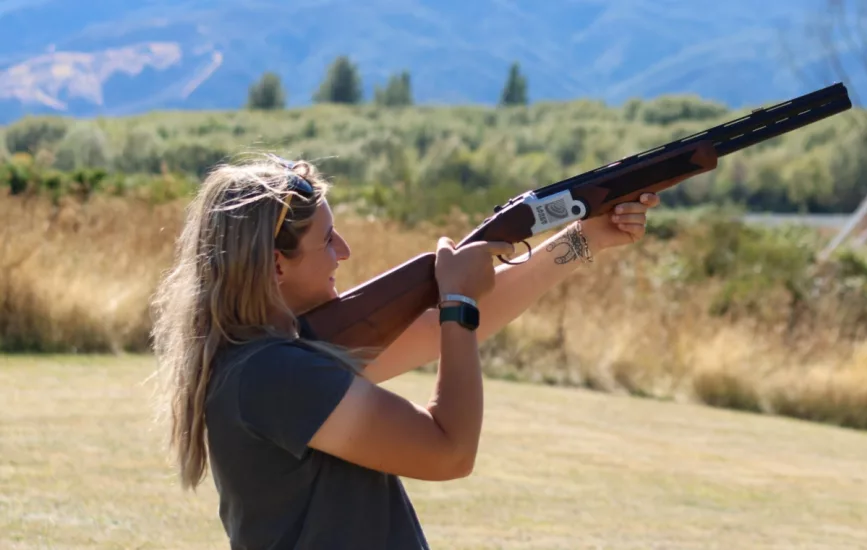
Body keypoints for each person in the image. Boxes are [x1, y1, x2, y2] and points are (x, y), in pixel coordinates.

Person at [149, 154, 660, 549]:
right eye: (327, 240)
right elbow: (449, 451)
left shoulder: (273, 356)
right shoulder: (275, 373)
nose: (344, 252)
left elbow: (442, 327)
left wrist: (583, 238)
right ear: (276, 266)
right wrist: (458, 299)